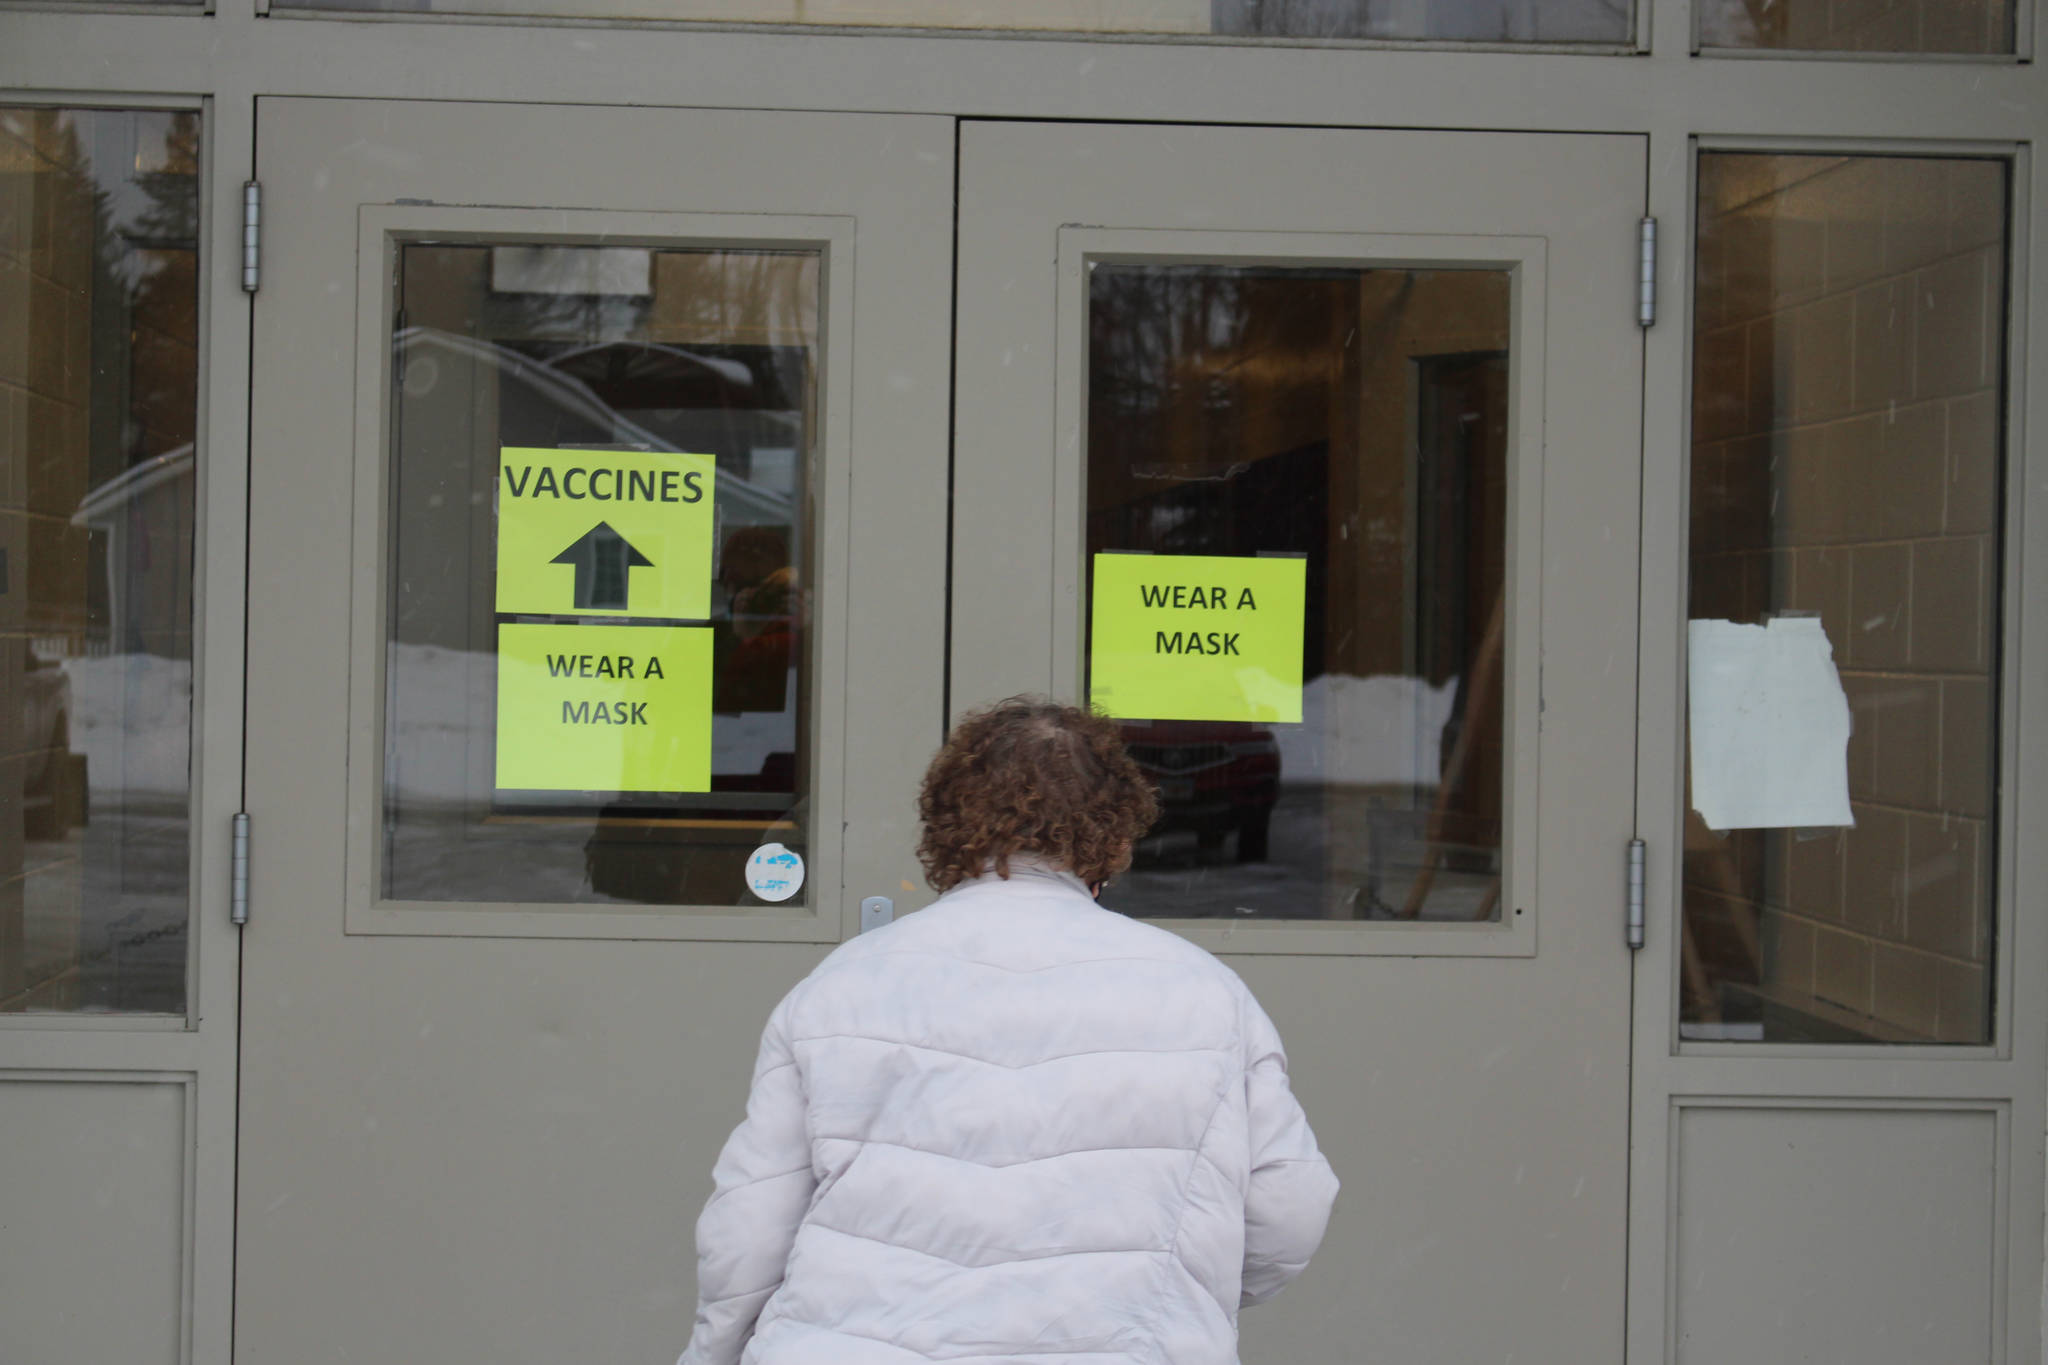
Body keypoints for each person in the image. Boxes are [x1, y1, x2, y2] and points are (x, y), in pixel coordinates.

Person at [679, 697, 1339, 1365]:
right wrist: (1181, 1288)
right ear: (1114, 824)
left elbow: (748, 1229)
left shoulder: (841, 986)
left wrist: (713, 1352)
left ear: (946, 818)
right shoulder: (1206, 994)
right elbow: (1289, 1208)